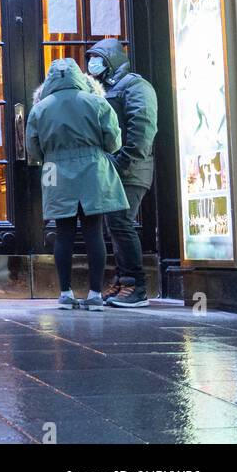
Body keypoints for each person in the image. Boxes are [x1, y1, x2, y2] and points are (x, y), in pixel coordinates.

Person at [25, 58, 128, 312]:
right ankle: (94, 294)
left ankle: (65, 292)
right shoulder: (95, 101)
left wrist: (50, 157)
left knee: (64, 233)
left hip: (55, 171)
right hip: (93, 169)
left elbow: (32, 148)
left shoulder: (40, 109)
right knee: (94, 232)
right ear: (78, 77)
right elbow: (113, 140)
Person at [85, 38, 158, 308]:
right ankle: (123, 281)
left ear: (111, 60)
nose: (93, 63)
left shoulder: (136, 86)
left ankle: (135, 285)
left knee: (120, 222)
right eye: (91, 58)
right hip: (116, 169)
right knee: (114, 224)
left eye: (98, 58)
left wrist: (124, 161)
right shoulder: (108, 88)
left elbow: (142, 126)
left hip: (129, 169)